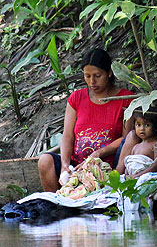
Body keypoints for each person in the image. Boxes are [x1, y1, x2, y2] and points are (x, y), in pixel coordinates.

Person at [38, 48, 134, 192]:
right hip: (76, 166)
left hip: (108, 166)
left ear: (109, 73)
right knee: (44, 161)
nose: (92, 82)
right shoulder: (76, 98)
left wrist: (99, 153)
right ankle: (57, 206)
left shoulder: (125, 99)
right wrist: (65, 164)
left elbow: (127, 139)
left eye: (97, 76)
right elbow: (68, 135)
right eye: (87, 76)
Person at [116, 110, 157, 178]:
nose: (142, 129)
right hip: (132, 177)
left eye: (147, 125)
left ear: (155, 127)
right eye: (138, 125)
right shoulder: (135, 147)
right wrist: (127, 175)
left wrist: (137, 176)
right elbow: (129, 164)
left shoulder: (156, 144)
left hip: (146, 176)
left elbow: (156, 166)